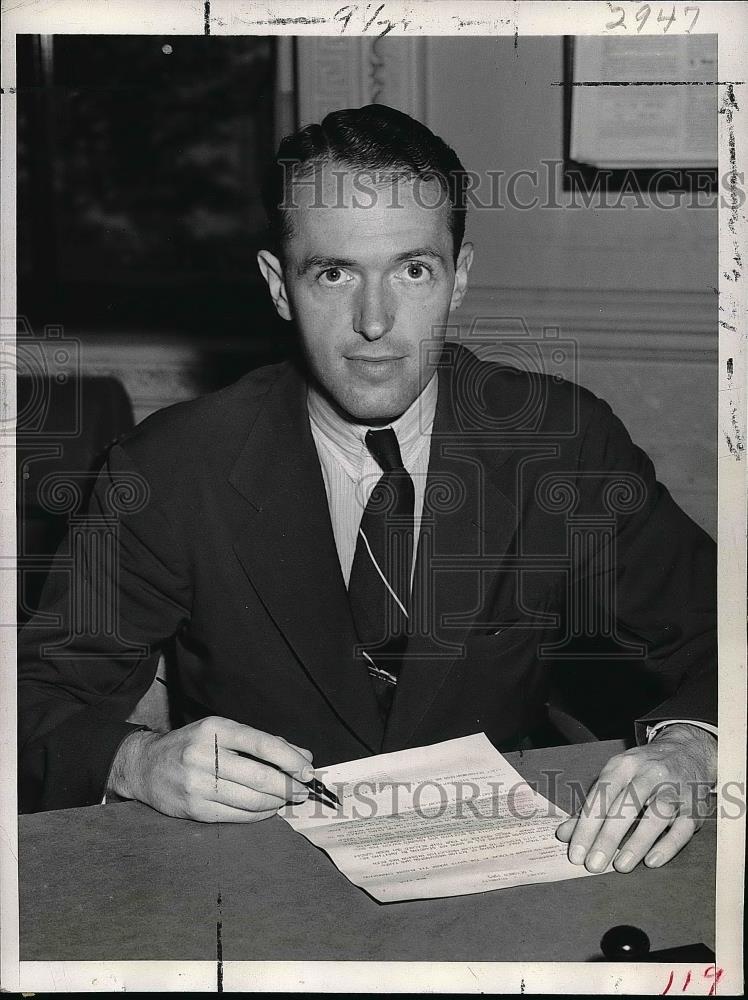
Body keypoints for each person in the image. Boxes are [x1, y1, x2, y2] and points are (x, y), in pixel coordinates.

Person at [19, 105, 717, 878]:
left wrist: (694, 744)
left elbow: (726, 630)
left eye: (413, 270)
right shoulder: (167, 469)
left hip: (512, 867)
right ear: (279, 286)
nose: (375, 322)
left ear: (460, 279)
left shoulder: (560, 441)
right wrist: (135, 761)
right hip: (257, 874)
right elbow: (33, 697)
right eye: (334, 273)